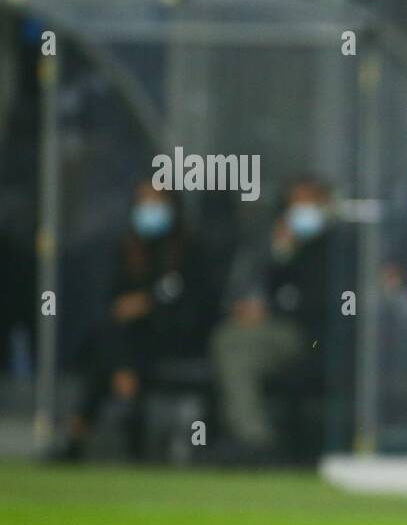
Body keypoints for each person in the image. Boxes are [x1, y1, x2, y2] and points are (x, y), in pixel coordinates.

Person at [56, 181, 216, 460]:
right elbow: (109, 301)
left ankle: (79, 435)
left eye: (157, 203)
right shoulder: (125, 248)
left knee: (107, 353)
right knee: (112, 339)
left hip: (174, 336)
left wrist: (148, 304)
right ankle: (127, 405)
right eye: (144, 203)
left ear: (173, 208)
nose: (149, 210)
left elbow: (196, 304)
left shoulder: (191, 250)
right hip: (129, 339)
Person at [210, 177, 340, 462]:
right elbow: (272, 288)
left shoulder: (336, 246)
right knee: (228, 341)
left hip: (313, 338)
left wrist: (269, 312)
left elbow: (318, 303)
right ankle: (250, 438)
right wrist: (282, 252)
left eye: (309, 202)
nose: (302, 210)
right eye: (296, 203)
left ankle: (254, 441)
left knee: (231, 347)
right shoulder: (282, 246)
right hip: (276, 331)